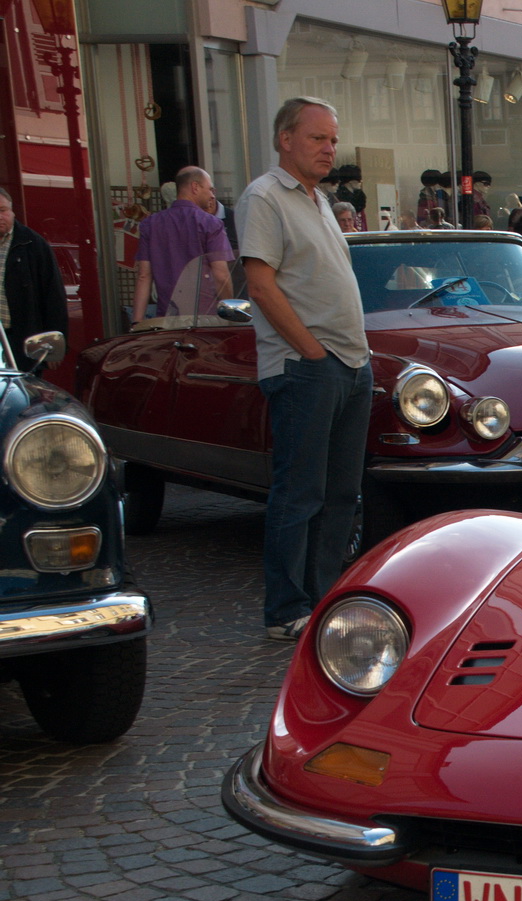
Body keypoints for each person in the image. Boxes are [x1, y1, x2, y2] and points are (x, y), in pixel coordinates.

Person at [235, 97, 371, 643]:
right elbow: (260, 284)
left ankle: (323, 598)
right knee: (300, 492)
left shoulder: (318, 201)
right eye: (318, 138)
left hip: (349, 364)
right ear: (285, 138)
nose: (329, 148)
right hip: (307, 368)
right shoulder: (265, 196)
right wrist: (312, 352)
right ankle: (285, 606)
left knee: (340, 494)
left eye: (333, 139)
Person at [132, 165, 234, 323]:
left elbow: (144, 276)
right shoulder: (211, 224)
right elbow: (221, 275)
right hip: (205, 319)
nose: (212, 195)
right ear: (195, 187)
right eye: (210, 189)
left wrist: (136, 322)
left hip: (167, 317)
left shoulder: (150, 224)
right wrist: (231, 314)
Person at [0, 187, 68, 362]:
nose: (0, 216)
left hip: (22, 340)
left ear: (12, 211)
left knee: (23, 389)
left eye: (3, 210)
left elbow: (53, 295)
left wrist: (53, 346)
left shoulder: (32, 244)